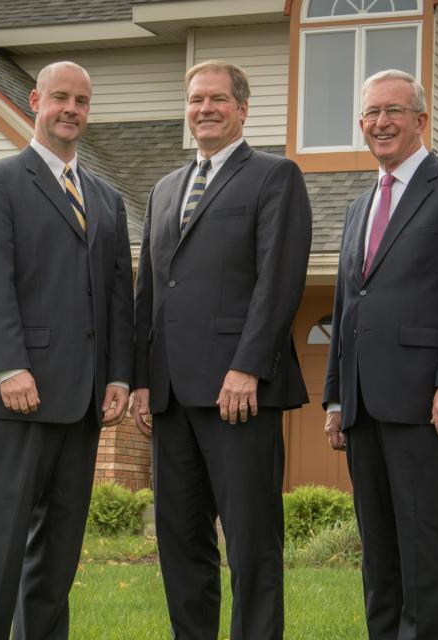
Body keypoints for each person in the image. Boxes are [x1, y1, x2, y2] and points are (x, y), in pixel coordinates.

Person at [130, 59, 311, 639]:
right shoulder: (163, 189)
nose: (204, 108)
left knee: (253, 543)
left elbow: (278, 282)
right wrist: (139, 377)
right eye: (195, 99)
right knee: (181, 542)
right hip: (171, 397)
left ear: (242, 109)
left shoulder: (273, 176)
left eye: (217, 99)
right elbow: (150, 290)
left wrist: (247, 367)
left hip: (240, 394)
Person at [0, 61, 134, 639]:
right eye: (61, 97)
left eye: (82, 101)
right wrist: (10, 364)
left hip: (82, 405)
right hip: (20, 397)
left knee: (56, 560)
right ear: (36, 100)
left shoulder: (106, 199)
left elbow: (116, 295)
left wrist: (119, 376)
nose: (72, 110)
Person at [323, 69, 438, 640]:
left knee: (429, 551)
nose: (380, 123)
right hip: (364, 409)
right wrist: (334, 396)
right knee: (380, 556)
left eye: (392, 111)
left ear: (421, 121)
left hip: (428, 406)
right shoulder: (358, 208)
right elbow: (347, 306)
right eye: (371, 113)